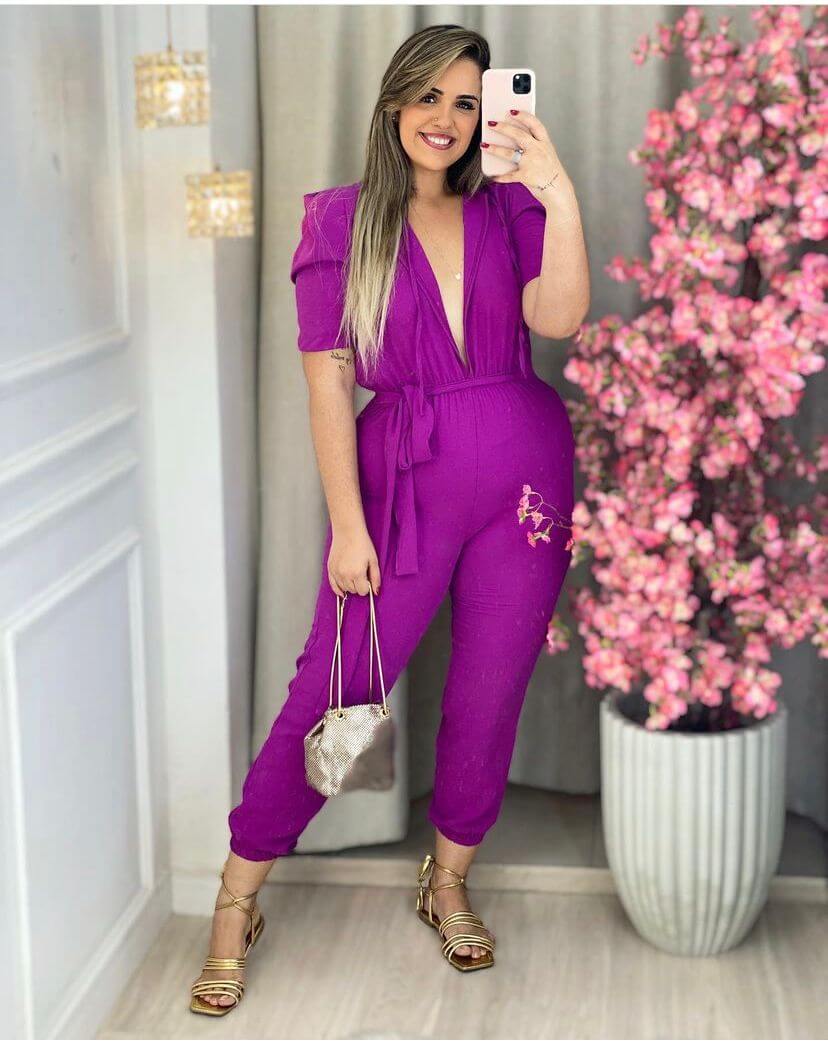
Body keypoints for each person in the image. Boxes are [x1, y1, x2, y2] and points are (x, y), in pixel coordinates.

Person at [190, 23, 589, 1015]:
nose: (446, 118)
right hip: (402, 487)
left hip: (529, 486)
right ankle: (237, 899)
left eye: (468, 101)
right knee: (335, 689)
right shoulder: (340, 220)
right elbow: (328, 383)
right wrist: (347, 526)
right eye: (430, 96)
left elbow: (559, 320)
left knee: (490, 692)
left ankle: (446, 881)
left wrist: (560, 195)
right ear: (394, 103)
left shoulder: (509, 208)